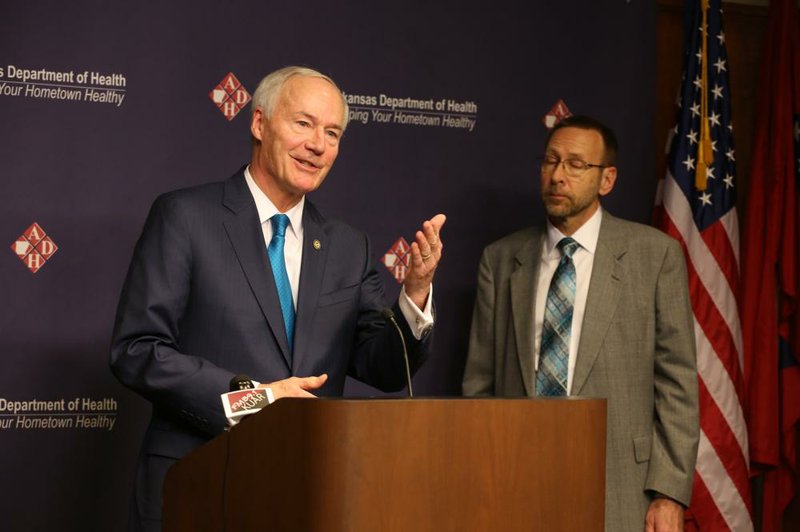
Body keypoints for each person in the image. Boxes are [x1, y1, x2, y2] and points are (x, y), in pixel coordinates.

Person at [110, 65, 445, 532]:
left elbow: (384, 367)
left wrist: (414, 293)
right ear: (259, 123)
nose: (318, 144)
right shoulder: (185, 217)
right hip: (199, 485)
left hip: (309, 494)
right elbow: (137, 350)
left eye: (333, 132)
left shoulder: (350, 246)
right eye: (303, 124)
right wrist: (254, 400)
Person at [462, 115, 698, 532]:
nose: (557, 175)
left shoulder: (655, 256)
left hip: (624, 485)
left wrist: (669, 492)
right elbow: (479, 384)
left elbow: (677, 383)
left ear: (606, 180)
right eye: (551, 161)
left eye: (575, 164)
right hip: (516, 483)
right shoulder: (500, 260)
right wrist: (481, 479)